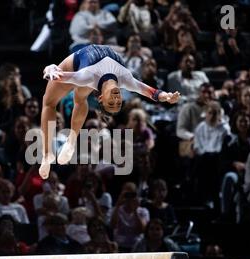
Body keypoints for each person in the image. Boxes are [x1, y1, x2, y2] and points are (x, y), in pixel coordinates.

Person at [39, 44, 180, 179]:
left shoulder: (86, 77)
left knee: (49, 102)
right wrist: (167, 96)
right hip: (93, 68)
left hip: (80, 61)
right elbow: (151, 92)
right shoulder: (126, 79)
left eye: (111, 103)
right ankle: (69, 143)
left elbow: (53, 73)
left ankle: (49, 154)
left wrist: (50, 69)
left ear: (100, 98)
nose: (116, 99)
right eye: (118, 103)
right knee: (80, 98)